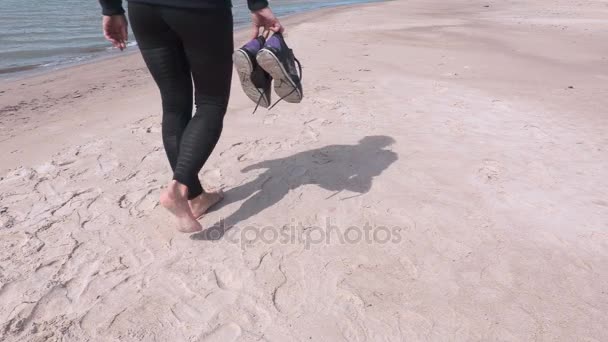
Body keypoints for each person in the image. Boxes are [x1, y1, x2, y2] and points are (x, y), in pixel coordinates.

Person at [99, 0, 284, 233]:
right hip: (200, 9)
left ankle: (196, 198)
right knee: (211, 103)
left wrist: (111, 9)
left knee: (174, 104)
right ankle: (177, 190)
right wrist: (257, 5)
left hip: (144, 9)